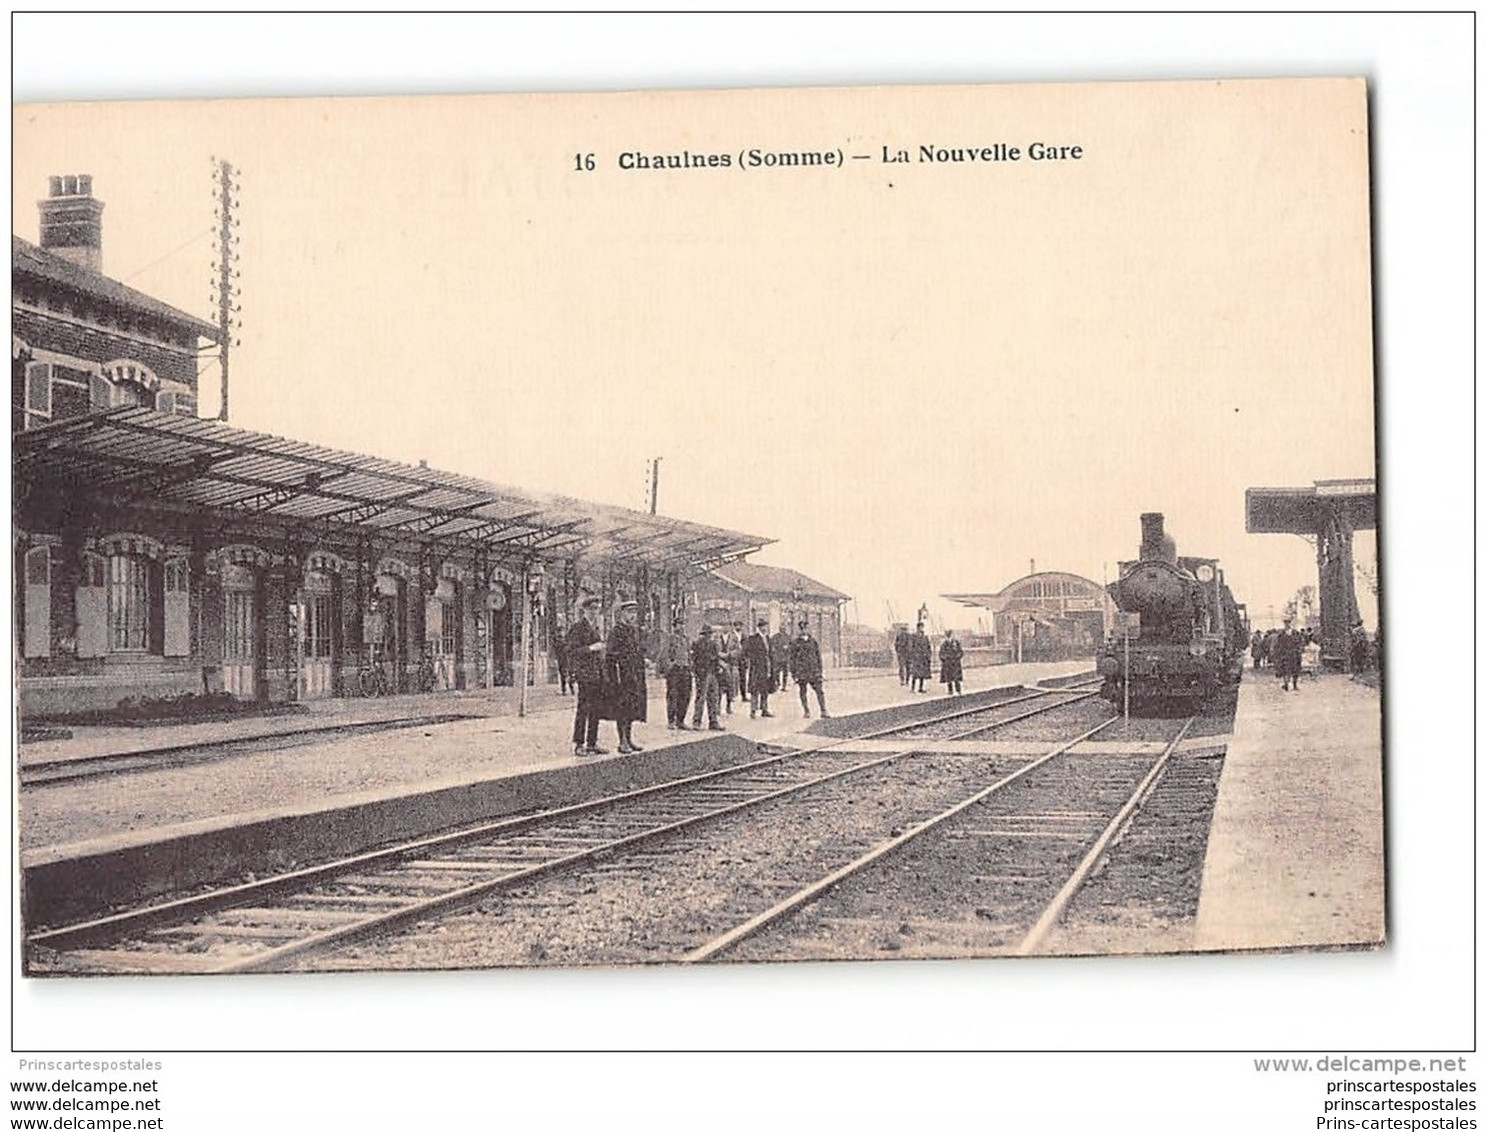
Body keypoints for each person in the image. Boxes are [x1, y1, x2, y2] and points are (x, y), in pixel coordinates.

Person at [565, 596, 607, 755]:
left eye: (597, 608)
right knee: (583, 709)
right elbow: (571, 651)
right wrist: (591, 648)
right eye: (592, 608)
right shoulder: (578, 628)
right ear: (585, 610)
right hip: (585, 675)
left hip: (597, 674)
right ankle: (579, 744)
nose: (594, 612)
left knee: (596, 709)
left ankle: (592, 742)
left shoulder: (596, 627)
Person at [605, 599, 647, 753]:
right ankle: (622, 741)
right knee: (622, 708)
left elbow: (637, 651)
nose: (633, 616)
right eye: (630, 612)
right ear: (622, 613)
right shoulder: (616, 631)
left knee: (632, 708)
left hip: (634, 675)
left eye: (634, 612)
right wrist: (614, 678)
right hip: (621, 676)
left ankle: (629, 739)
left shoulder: (633, 631)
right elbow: (610, 655)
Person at [655, 615, 693, 730]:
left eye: (683, 624)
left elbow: (688, 653)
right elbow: (664, 654)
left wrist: (690, 665)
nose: (681, 627)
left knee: (685, 696)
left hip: (685, 670)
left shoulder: (686, 639)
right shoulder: (670, 638)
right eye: (679, 625)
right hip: (675, 671)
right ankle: (671, 720)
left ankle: (680, 720)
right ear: (675, 626)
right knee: (673, 696)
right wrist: (670, 667)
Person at [789, 619, 829, 718]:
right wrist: (793, 673)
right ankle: (806, 711)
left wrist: (820, 671)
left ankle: (823, 710)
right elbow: (792, 659)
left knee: (819, 691)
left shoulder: (813, 641)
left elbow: (818, 657)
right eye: (801, 629)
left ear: (808, 629)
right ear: (799, 630)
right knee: (803, 692)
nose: (803, 631)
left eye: (805, 628)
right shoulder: (795, 643)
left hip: (814, 671)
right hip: (802, 672)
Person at [690, 623, 724, 731]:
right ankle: (697, 721)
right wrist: (696, 672)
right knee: (701, 698)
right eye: (707, 634)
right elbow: (694, 660)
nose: (708, 636)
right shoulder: (697, 644)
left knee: (713, 698)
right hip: (702, 674)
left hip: (712, 673)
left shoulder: (713, 644)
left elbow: (716, 657)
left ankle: (713, 721)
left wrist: (718, 667)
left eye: (709, 634)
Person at [744, 616, 775, 718]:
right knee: (755, 690)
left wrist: (772, 667)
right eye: (762, 626)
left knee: (765, 689)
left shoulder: (768, 639)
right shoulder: (753, 639)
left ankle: (764, 709)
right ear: (759, 628)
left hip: (767, 668)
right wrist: (753, 661)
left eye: (765, 626)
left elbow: (771, 654)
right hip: (756, 669)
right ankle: (753, 710)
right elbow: (747, 652)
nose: (764, 628)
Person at [1273, 618, 1304, 692]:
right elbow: (1278, 645)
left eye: (1289, 623)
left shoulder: (1296, 633)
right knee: (1285, 670)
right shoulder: (1281, 634)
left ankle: (1295, 685)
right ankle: (1286, 684)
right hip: (1285, 655)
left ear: (1291, 624)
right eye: (1286, 623)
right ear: (1284, 624)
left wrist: (1299, 650)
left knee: (1296, 670)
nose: (1287, 625)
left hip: (1295, 655)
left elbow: (1301, 642)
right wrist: (1279, 654)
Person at [720, 622, 743, 715]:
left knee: (730, 684)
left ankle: (728, 705)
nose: (725, 628)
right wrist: (720, 655)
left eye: (727, 626)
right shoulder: (716, 638)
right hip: (719, 664)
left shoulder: (734, 638)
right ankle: (717, 706)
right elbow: (714, 650)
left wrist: (730, 654)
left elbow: (738, 650)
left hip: (731, 663)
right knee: (719, 686)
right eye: (724, 625)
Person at [939, 628, 964, 695]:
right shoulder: (944, 644)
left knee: (956, 678)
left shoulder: (956, 643)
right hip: (948, 664)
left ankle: (958, 690)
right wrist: (945, 659)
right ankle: (950, 690)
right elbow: (941, 654)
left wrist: (957, 657)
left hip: (955, 663)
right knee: (948, 678)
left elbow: (961, 652)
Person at [909, 622, 933, 693]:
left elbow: (928, 647)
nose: (922, 628)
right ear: (918, 628)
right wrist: (913, 655)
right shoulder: (913, 636)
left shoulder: (925, 637)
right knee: (915, 674)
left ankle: (921, 688)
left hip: (923, 658)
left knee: (922, 674)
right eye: (920, 627)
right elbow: (911, 647)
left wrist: (928, 655)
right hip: (916, 658)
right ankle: (912, 688)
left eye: (923, 627)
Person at [770, 622, 792, 693]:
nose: (783, 630)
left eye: (784, 628)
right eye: (781, 628)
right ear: (779, 629)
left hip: (785, 658)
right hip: (778, 658)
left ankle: (784, 686)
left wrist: (788, 648)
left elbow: (791, 647)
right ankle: (777, 684)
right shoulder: (775, 637)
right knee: (776, 672)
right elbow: (772, 646)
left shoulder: (788, 637)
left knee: (785, 673)